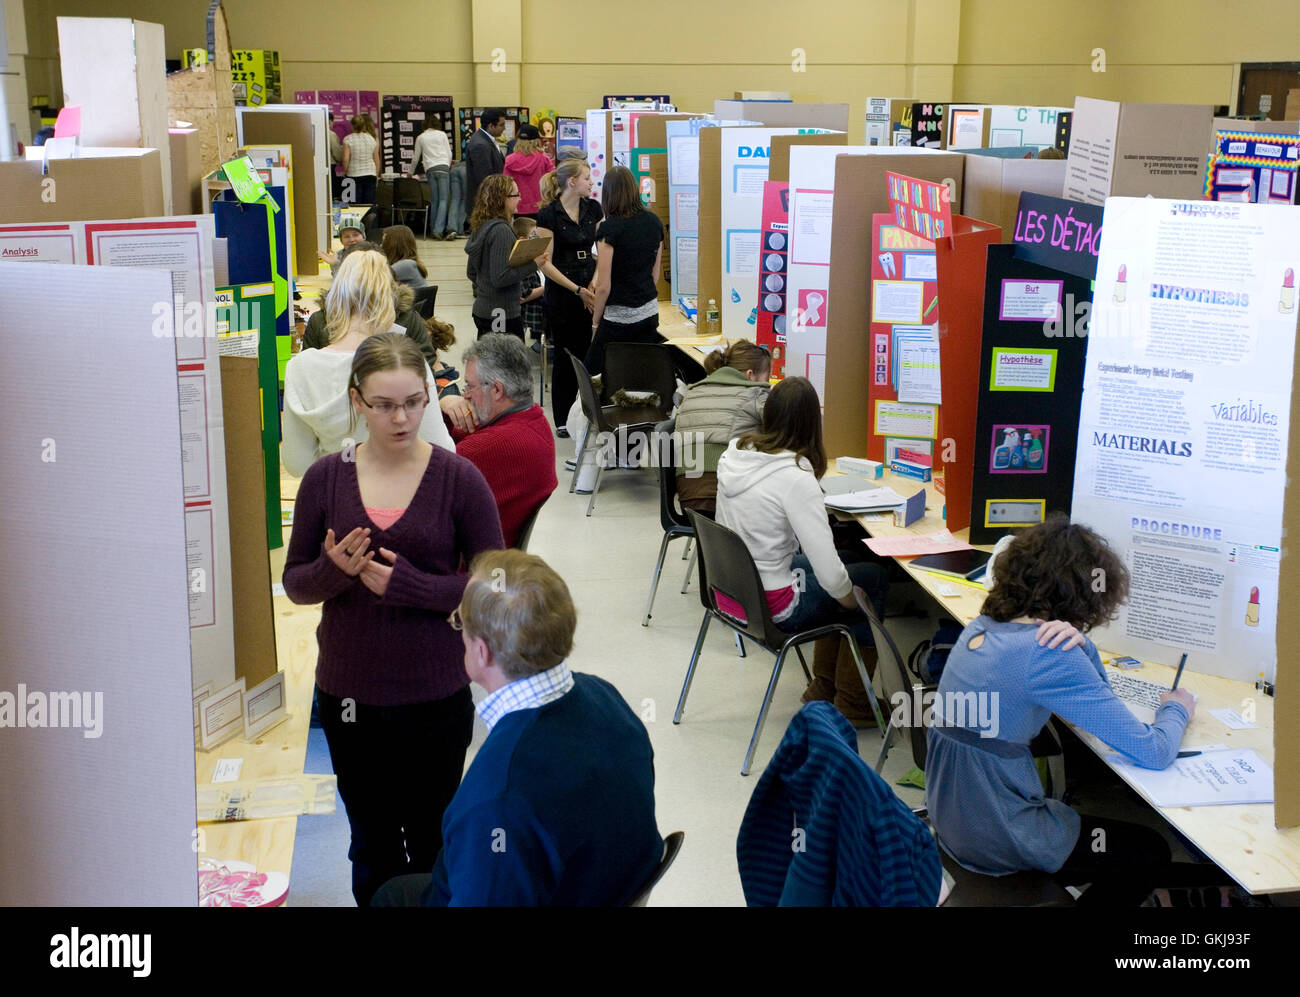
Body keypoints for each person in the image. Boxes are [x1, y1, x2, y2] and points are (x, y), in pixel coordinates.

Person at [283, 332, 504, 907]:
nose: (401, 417)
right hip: (351, 696)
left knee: (434, 839)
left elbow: (497, 588)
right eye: (384, 404)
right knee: (372, 840)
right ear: (356, 400)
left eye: (413, 401)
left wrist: (414, 587)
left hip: (434, 695)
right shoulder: (325, 479)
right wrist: (334, 571)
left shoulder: (458, 479)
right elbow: (296, 584)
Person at [924, 515, 1208, 907]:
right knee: (1148, 851)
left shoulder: (982, 627)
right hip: (999, 835)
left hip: (954, 822)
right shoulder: (1050, 653)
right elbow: (1153, 751)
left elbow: (1094, 702)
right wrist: (1176, 709)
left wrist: (1081, 647)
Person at [370, 549, 663, 906]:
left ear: (482, 653)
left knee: (388, 895)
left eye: (459, 622)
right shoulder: (607, 696)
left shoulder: (498, 800)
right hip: (597, 885)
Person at [715, 377, 889, 725]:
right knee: (872, 579)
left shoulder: (735, 453)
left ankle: (823, 688)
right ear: (813, 422)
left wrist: (841, 589)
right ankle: (853, 703)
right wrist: (852, 600)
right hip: (773, 606)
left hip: (732, 589)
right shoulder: (795, 475)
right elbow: (830, 576)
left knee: (852, 563)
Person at [283, 251, 453, 477]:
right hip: (397, 494)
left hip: (335, 498)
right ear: (389, 301)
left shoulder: (300, 367)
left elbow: (297, 464)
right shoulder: (408, 362)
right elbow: (441, 450)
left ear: (334, 299)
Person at [438, 334, 557, 547]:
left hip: (465, 563)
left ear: (496, 390)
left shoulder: (492, 446)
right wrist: (445, 405)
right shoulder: (530, 417)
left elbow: (424, 482)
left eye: (469, 386)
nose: (465, 395)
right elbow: (457, 436)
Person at [535, 157, 603, 432]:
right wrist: (577, 290)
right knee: (565, 355)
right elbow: (544, 261)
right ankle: (563, 418)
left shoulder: (593, 209)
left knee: (590, 352)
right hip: (564, 291)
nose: (591, 183)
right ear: (572, 182)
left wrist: (594, 285)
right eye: (587, 178)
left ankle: (589, 412)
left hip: (591, 285)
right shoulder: (548, 214)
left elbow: (601, 249)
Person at [302, 243, 438, 371]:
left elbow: (426, 360)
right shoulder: (320, 320)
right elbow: (309, 369)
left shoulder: (406, 318)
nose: (366, 282)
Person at [671, 340, 771, 513]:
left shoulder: (692, 393)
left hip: (689, 497)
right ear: (750, 375)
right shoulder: (756, 394)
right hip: (728, 496)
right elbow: (785, 434)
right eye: (767, 378)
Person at [585, 164, 666, 377]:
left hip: (618, 319)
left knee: (593, 375)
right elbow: (654, 275)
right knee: (639, 374)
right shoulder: (654, 221)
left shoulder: (608, 229)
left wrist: (595, 324)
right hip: (649, 312)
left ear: (608, 195)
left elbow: (603, 286)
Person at [465, 174, 548, 340]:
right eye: (516, 195)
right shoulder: (501, 231)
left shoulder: (481, 226)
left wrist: (487, 290)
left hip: (485, 309)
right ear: (502, 199)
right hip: (500, 313)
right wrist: (534, 264)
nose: (520, 198)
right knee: (505, 364)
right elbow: (500, 278)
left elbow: (471, 272)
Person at [412, 119, 457, 240]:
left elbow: (416, 157)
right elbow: (449, 153)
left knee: (435, 200)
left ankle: (433, 229)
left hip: (430, 169)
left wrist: (410, 173)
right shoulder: (442, 134)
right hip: (443, 167)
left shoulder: (421, 137)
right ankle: (438, 229)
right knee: (443, 200)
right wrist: (446, 165)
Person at [463, 107, 506, 219]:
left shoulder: (486, 140)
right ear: (491, 126)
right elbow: (485, 178)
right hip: (485, 204)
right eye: (501, 125)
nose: (504, 128)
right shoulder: (480, 145)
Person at [504, 123, 553, 220]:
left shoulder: (509, 160)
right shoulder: (544, 159)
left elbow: (506, 185)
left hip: (516, 207)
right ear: (536, 141)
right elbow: (552, 181)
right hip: (539, 206)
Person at [513, 216, 546, 343]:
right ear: (522, 240)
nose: (538, 241)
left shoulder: (530, 259)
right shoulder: (522, 264)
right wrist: (548, 288)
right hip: (531, 312)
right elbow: (523, 296)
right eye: (534, 237)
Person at [342, 114, 380, 207]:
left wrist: (346, 172)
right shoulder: (371, 138)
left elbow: (345, 159)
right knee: (369, 205)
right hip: (370, 174)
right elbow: (377, 160)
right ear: (363, 125)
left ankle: (356, 222)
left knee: (354, 206)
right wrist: (376, 174)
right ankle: (371, 221)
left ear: (352, 126)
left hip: (353, 175)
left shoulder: (348, 139)